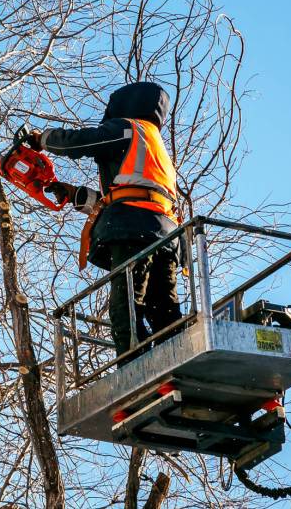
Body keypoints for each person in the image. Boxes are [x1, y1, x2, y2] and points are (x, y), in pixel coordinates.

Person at [27, 81, 184, 361]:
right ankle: (177, 364)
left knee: (126, 307)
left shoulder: (128, 128)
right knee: (163, 308)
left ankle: (133, 373)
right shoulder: (156, 145)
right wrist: (77, 195)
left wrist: (44, 139)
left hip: (134, 231)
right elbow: (134, 194)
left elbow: (84, 141)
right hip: (165, 234)